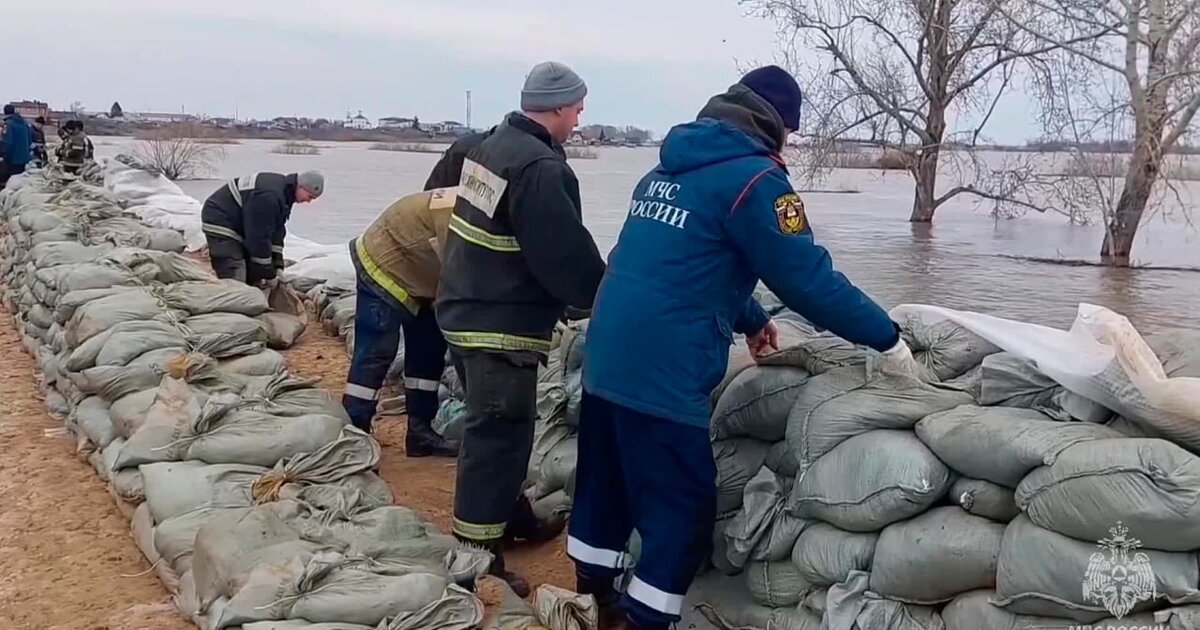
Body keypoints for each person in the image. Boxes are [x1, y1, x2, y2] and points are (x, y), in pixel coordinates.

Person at [566, 66, 925, 630]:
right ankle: (642, 619)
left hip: (608, 351)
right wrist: (886, 337)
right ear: (777, 125)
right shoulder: (757, 182)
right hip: (664, 369)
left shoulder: (667, 168)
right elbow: (807, 279)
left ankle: (593, 595)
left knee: (604, 483)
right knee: (682, 510)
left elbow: (689, 264)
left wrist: (751, 319)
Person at [435, 61, 607, 596]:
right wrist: (601, 300)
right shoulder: (540, 169)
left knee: (502, 429)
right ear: (557, 106)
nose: (580, 116)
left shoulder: (487, 145)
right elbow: (564, 256)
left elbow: (442, 200)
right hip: (499, 324)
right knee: (498, 437)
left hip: (465, 304)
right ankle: (477, 556)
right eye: (577, 106)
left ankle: (512, 519)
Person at [341, 186, 463, 458]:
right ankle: (355, 435)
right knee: (377, 350)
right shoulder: (458, 215)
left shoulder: (484, 210)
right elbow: (459, 280)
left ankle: (420, 433)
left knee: (429, 352)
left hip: (423, 275)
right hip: (384, 264)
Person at [200, 171, 323, 286]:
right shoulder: (269, 196)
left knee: (252, 271)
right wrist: (268, 274)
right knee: (235, 270)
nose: (308, 201)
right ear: (302, 187)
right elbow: (258, 237)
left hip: (239, 222)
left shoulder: (284, 194)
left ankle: (247, 296)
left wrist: (277, 266)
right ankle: (230, 301)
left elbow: (276, 231)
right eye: (310, 196)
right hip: (220, 219)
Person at [0, 104, 33, 188]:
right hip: (24, 159)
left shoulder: (8, 124)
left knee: (8, 185)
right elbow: (30, 140)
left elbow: (7, 143)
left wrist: (3, 155)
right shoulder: (25, 124)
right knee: (18, 185)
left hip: (12, 160)